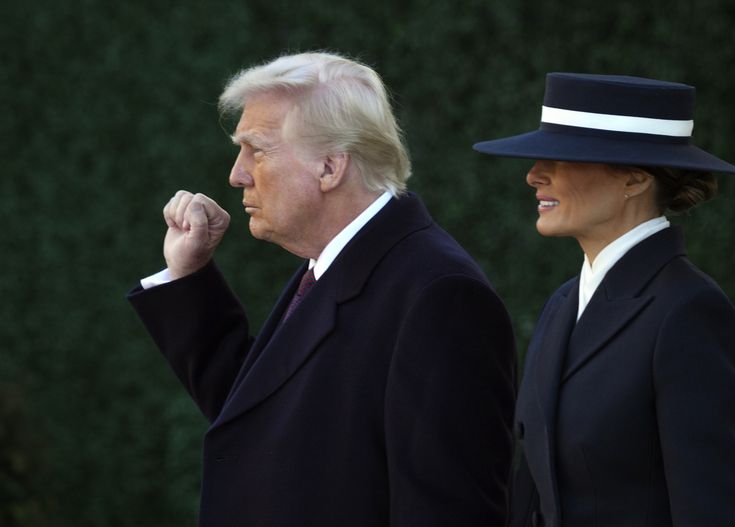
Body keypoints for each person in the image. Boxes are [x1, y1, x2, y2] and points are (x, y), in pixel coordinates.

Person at [127, 52, 516, 527]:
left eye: (258, 149)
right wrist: (190, 277)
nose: (237, 174)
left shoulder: (440, 295)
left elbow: (449, 511)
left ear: (330, 167)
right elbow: (261, 414)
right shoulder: (335, 264)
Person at [473, 73, 735, 526]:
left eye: (561, 159)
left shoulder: (689, 311)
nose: (533, 175)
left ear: (635, 179)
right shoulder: (563, 303)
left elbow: (709, 510)